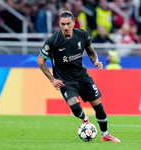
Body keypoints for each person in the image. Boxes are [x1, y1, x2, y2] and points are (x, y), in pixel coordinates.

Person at [37, 11, 121, 142]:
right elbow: (41, 60)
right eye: (63, 24)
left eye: (68, 24)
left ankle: (105, 135)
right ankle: (85, 119)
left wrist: (96, 62)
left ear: (73, 22)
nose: (66, 27)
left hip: (83, 77)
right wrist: (52, 79)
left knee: (99, 107)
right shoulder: (53, 41)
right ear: (59, 24)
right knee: (75, 107)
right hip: (65, 81)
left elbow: (91, 52)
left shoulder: (82, 35)